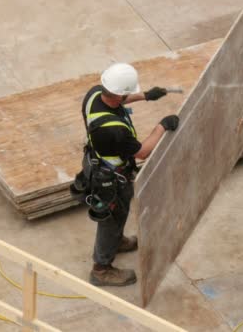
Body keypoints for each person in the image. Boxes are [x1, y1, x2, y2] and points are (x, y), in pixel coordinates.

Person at [70, 63, 180, 286]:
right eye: (127, 93)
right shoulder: (114, 130)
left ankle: (117, 242)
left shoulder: (94, 94)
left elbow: (116, 99)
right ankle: (101, 269)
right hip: (110, 180)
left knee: (118, 216)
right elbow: (142, 152)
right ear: (119, 95)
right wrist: (162, 126)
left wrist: (145, 96)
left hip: (97, 164)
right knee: (112, 219)